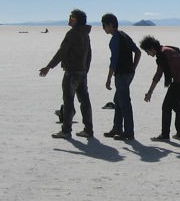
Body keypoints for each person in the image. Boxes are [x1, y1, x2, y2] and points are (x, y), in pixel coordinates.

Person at [39, 9, 93, 139]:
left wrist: (49, 67)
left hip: (72, 72)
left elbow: (62, 51)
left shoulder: (73, 33)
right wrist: (85, 69)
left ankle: (66, 131)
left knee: (68, 102)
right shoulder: (85, 33)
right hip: (82, 72)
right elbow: (89, 54)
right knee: (84, 101)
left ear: (77, 21)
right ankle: (88, 130)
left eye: (72, 18)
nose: (69, 19)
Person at [140, 36, 180, 142]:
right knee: (177, 106)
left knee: (166, 107)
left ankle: (165, 135)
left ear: (151, 48)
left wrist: (150, 92)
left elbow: (158, 75)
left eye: (147, 51)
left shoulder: (162, 54)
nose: (147, 54)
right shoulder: (168, 49)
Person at [101, 13, 141, 140]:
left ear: (110, 25)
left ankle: (129, 132)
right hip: (128, 74)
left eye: (104, 25)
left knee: (124, 103)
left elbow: (113, 61)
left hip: (122, 75)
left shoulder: (115, 40)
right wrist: (133, 68)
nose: (103, 28)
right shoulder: (124, 35)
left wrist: (108, 79)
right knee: (118, 101)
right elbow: (138, 52)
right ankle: (117, 128)